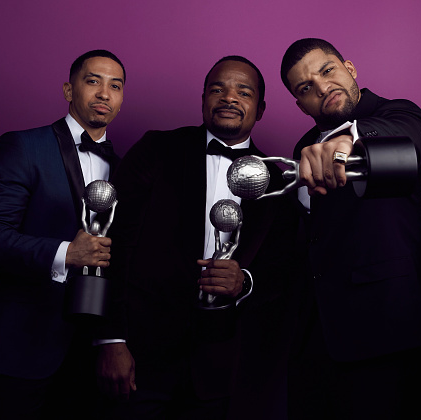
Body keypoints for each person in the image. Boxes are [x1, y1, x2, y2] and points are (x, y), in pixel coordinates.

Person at [95, 56, 298, 419]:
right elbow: (113, 244)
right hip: (140, 357)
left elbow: (283, 266)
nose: (229, 98)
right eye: (217, 89)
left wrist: (245, 282)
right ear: (203, 98)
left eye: (243, 92)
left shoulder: (279, 180)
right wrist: (111, 339)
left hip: (220, 365)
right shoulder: (157, 149)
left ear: (260, 109)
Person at [280, 38, 421, 418]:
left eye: (327, 71)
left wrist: (347, 142)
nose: (322, 87)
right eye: (306, 88)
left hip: (385, 334)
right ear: (300, 105)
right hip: (314, 339)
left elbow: (403, 138)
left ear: (350, 68)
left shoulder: (400, 115)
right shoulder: (303, 146)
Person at [0, 49, 125, 419]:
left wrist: (113, 339)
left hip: (91, 352)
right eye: (92, 81)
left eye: (115, 86)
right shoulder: (23, 146)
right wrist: (66, 253)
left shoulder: (125, 167)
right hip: (23, 345)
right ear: (68, 90)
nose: (104, 94)